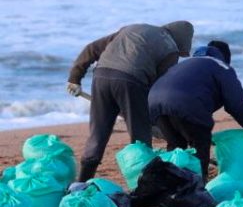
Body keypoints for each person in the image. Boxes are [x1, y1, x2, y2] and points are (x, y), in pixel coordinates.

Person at [66, 20, 194, 181]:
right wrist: (154, 121)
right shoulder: (171, 49)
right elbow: (159, 89)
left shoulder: (132, 29)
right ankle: (142, 185)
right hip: (132, 82)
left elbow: (91, 49)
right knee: (140, 139)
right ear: (181, 42)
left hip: (101, 76)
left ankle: (81, 182)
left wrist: (74, 78)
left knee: (98, 134)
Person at [148, 40, 243, 179]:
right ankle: (200, 186)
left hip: (154, 102)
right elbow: (236, 101)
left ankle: (174, 185)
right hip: (186, 103)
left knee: (176, 148)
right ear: (225, 57)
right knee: (200, 146)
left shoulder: (186, 64)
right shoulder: (221, 66)